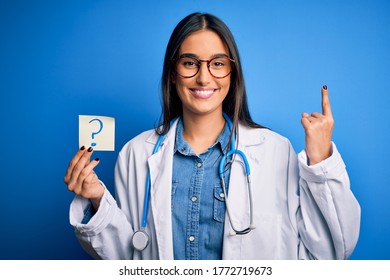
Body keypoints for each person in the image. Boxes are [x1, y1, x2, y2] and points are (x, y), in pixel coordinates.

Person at [64, 12, 360, 260]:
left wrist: (320, 163)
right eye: (190, 63)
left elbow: (330, 253)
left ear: (233, 73)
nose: (204, 78)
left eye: (217, 63)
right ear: (173, 73)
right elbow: (128, 260)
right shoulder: (137, 154)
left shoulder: (275, 151)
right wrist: (97, 200)